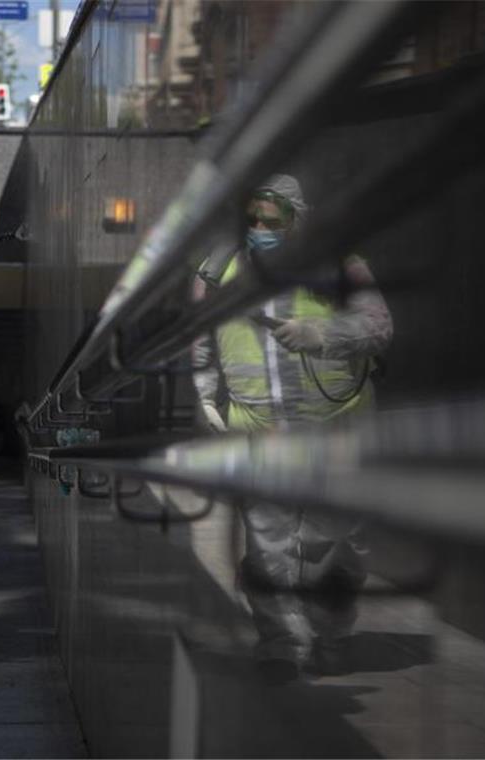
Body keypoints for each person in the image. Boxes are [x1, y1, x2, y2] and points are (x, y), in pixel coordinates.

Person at [191, 174, 393, 684]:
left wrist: (322, 332)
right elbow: (196, 336)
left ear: (296, 218)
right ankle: (280, 643)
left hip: (335, 428)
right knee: (267, 546)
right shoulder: (219, 269)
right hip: (258, 429)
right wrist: (203, 391)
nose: (260, 228)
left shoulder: (340, 263)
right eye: (252, 219)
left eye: (271, 220)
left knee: (336, 543)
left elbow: (379, 326)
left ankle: (331, 633)